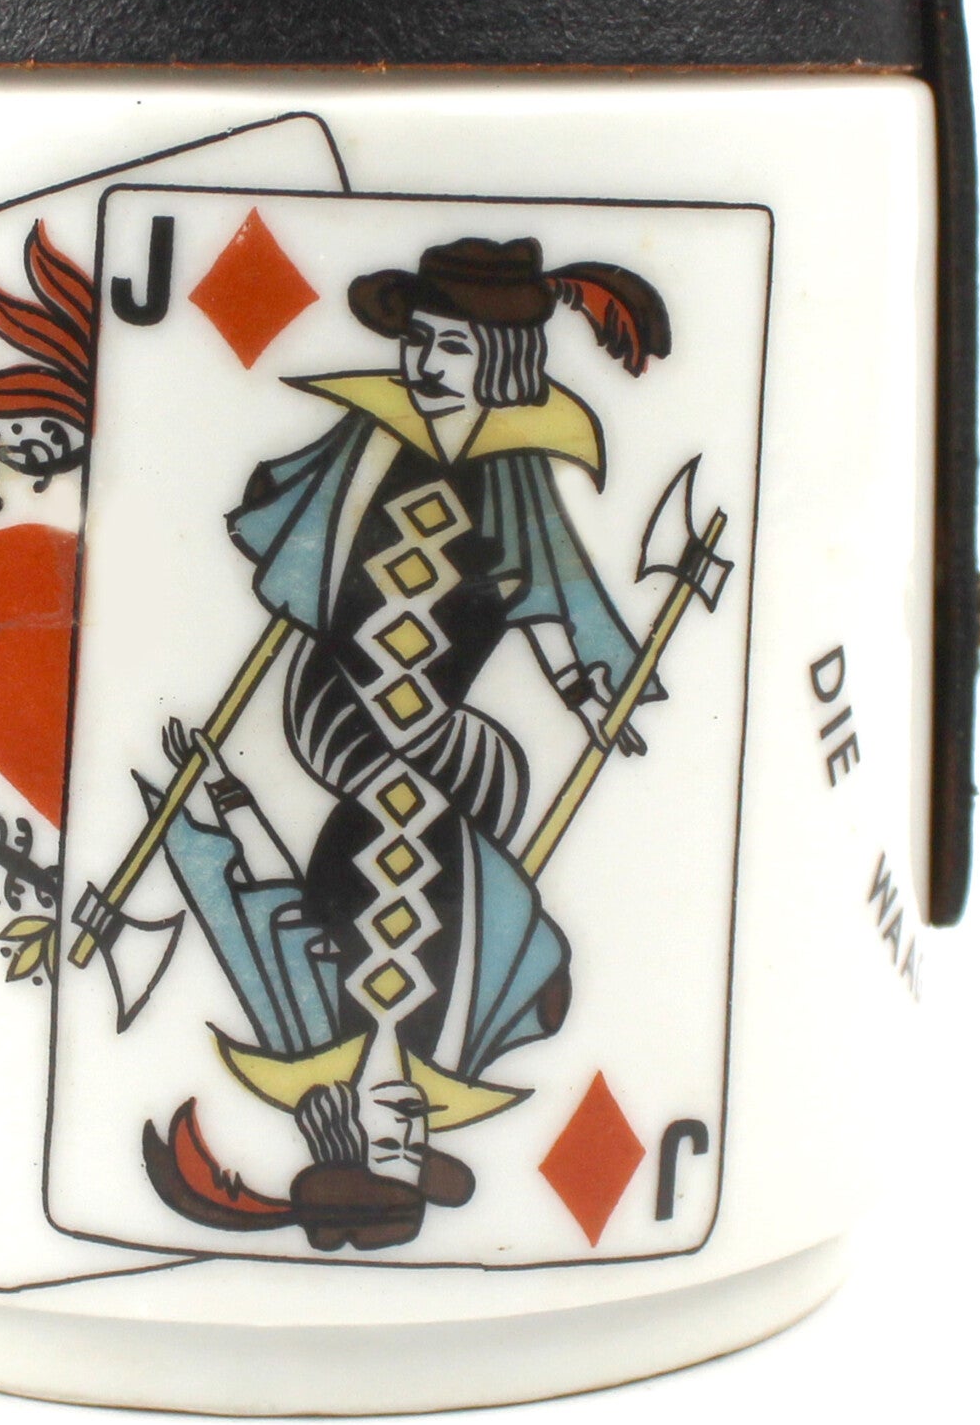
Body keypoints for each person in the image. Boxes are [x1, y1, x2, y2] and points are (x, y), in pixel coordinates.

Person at [226, 235, 671, 1101]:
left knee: (467, 808)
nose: (426, 364)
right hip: (338, 698)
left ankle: (415, 1045)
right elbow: (306, 541)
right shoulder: (372, 439)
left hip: (439, 718)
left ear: (500, 361)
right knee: (394, 815)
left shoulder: (515, 470)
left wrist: (581, 694)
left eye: (453, 347)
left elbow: (545, 591)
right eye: (419, 341)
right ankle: (352, 1035)